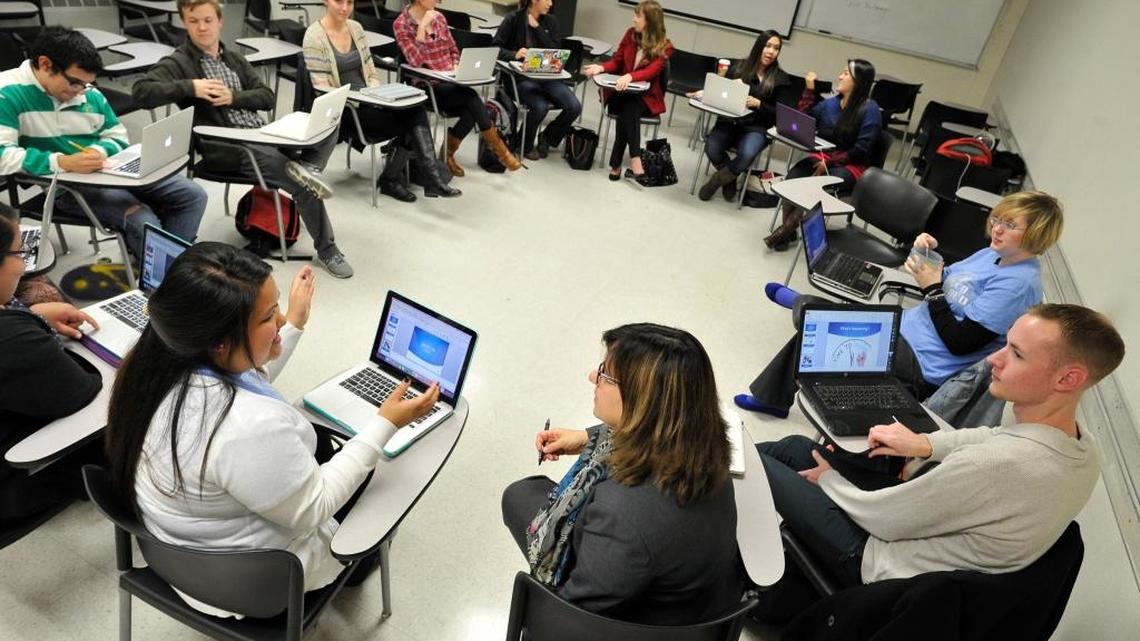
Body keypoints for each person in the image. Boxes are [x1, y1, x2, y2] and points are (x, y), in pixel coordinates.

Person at [103, 242, 440, 617]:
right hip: (251, 586)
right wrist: (386, 423)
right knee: (375, 477)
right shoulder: (246, 428)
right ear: (220, 342)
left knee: (330, 448)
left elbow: (242, 379)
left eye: (276, 306)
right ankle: (358, 568)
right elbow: (315, 507)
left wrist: (293, 325)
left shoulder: (158, 366)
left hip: (175, 550)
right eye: (268, 317)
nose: (279, 320)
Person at [755, 304, 1123, 611]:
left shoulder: (1000, 466)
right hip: (919, 541)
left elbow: (886, 520)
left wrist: (830, 480)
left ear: (1068, 378)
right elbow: (992, 435)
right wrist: (927, 445)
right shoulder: (1082, 448)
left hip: (881, 561)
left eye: (1016, 354)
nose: (994, 359)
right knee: (792, 447)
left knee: (756, 465)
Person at [737, 190, 1063, 419]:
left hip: (924, 365)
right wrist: (926, 253)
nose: (997, 229)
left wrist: (932, 288)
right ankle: (782, 376)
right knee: (820, 324)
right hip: (907, 330)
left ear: (1036, 234)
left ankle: (803, 308)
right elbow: (947, 277)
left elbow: (961, 342)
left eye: (1010, 225)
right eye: (997, 219)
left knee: (820, 326)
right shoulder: (994, 253)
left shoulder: (1019, 285)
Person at [501, 323, 745, 625]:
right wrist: (586, 438)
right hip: (675, 588)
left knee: (518, 495)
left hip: (631, 622)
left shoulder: (622, 513)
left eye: (604, 374)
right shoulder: (706, 442)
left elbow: (574, 614)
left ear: (642, 401)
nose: (593, 377)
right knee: (525, 493)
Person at [132, 0, 355, 279]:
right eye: (193, 21)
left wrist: (234, 97)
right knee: (301, 185)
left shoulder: (233, 59)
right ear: (184, 23)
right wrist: (192, 87)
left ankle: (308, 167)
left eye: (207, 20)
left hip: (264, 134)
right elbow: (141, 92)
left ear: (219, 22)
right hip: (230, 145)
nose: (202, 27)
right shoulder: (180, 62)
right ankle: (328, 248)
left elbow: (266, 96)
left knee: (329, 120)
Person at [0, 27, 206, 260]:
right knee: (142, 219)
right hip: (67, 185)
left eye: (87, 85)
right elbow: (2, 155)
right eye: (75, 83)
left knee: (193, 194)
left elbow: (117, 135)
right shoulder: (6, 92)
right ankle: (165, 280)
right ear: (45, 64)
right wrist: (63, 162)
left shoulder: (88, 93)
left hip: (109, 170)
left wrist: (97, 152)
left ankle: (169, 267)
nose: (81, 93)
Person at [0, 205, 104, 526]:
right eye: (19, 252)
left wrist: (34, 316)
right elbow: (82, 392)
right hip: (10, 486)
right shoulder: (12, 339)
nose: (24, 264)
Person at [303, 0, 459, 201]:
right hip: (346, 109)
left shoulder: (355, 28)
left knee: (414, 109)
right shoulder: (314, 36)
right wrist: (362, 99)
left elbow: (371, 70)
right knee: (410, 120)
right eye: (338, 1)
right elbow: (323, 89)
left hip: (370, 101)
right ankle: (400, 179)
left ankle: (429, 178)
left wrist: (377, 95)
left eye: (349, 2)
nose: (344, 8)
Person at [395, 0, 522, 177]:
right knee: (472, 100)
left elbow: (453, 49)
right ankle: (499, 151)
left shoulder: (439, 18)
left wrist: (455, 64)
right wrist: (422, 28)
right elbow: (414, 60)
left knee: (473, 106)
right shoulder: (401, 24)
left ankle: (449, 153)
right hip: (427, 84)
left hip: (450, 80)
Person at [765, 58, 881, 250]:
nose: (839, 76)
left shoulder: (870, 109)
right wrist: (809, 90)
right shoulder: (832, 103)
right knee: (793, 178)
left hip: (852, 165)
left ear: (858, 81)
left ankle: (783, 232)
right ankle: (788, 231)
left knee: (812, 188)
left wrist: (830, 162)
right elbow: (803, 119)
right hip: (826, 157)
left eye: (845, 73)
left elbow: (861, 149)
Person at [696, 30, 797, 202]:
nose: (771, 51)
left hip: (756, 128)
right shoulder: (738, 67)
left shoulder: (781, 79)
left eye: (776, 48)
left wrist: (759, 104)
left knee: (747, 154)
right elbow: (721, 94)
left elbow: (782, 114)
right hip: (729, 122)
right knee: (712, 147)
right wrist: (705, 93)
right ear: (759, 46)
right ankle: (731, 178)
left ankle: (718, 179)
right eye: (768, 46)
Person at [582, 0, 673, 183]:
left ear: (650, 21)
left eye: (638, 16)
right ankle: (635, 158)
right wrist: (601, 68)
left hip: (645, 99)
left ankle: (616, 164)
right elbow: (617, 60)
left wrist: (630, 76)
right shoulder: (630, 35)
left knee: (629, 107)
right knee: (627, 105)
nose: (634, 20)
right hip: (621, 92)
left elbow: (652, 71)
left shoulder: (665, 46)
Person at [492, 0, 582, 161]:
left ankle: (547, 138)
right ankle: (523, 144)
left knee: (574, 106)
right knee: (540, 107)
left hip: (547, 77)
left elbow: (556, 51)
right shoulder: (513, 18)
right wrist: (514, 54)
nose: (550, 3)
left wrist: (538, 29)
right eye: (546, 0)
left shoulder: (551, 21)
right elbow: (495, 48)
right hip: (520, 78)